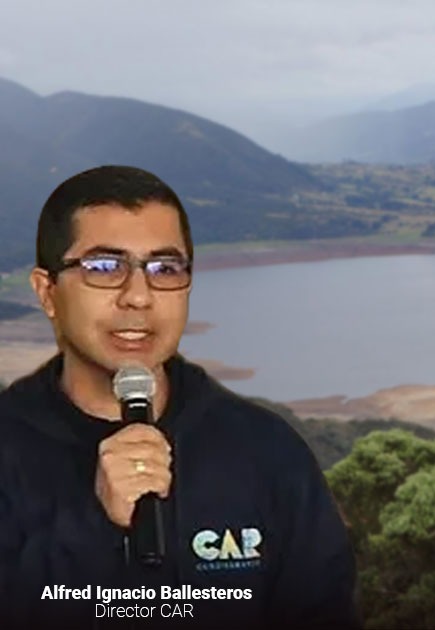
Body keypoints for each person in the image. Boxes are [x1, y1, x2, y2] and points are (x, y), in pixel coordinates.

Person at [0, 165, 359, 628]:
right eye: (105, 267)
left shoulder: (266, 452)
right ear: (47, 292)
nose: (138, 296)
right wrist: (92, 525)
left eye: (164, 268)